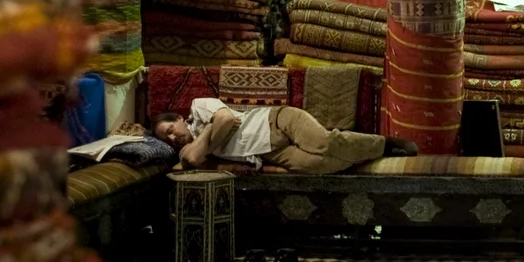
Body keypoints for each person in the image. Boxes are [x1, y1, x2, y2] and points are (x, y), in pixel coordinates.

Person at [151, 98, 417, 174]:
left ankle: (384, 144)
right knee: (317, 165)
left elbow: (227, 118)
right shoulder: (190, 148)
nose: (173, 138)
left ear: (179, 119)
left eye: (171, 130)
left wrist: (206, 135)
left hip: (276, 120)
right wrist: (205, 138)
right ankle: (364, 157)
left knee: (324, 142)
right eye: (167, 140)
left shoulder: (199, 107)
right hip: (268, 152)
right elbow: (193, 159)